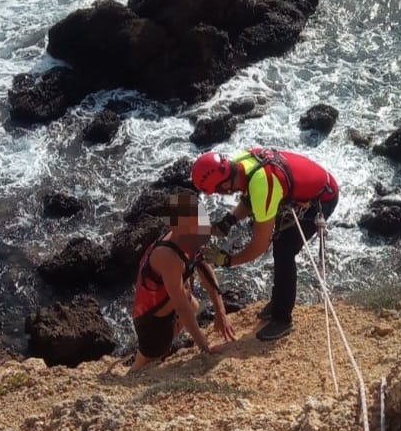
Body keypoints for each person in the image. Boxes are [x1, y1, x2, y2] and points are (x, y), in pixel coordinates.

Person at [191, 148, 339, 341]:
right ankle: (278, 303)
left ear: (226, 183)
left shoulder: (263, 185)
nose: (221, 195)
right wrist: (230, 220)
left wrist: (227, 261)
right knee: (280, 244)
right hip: (312, 189)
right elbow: (249, 197)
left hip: (321, 199)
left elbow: (259, 246)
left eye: (218, 191)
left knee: (284, 250)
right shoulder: (242, 163)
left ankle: (282, 319)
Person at [130, 193, 236, 371]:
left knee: (193, 306)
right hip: (152, 320)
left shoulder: (190, 237)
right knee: (148, 359)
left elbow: (205, 270)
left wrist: (221, 312)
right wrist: (205, 348)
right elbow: (181, 307)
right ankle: (137, 367)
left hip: (168, 306)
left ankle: (163, 350)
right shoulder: (169, 257)